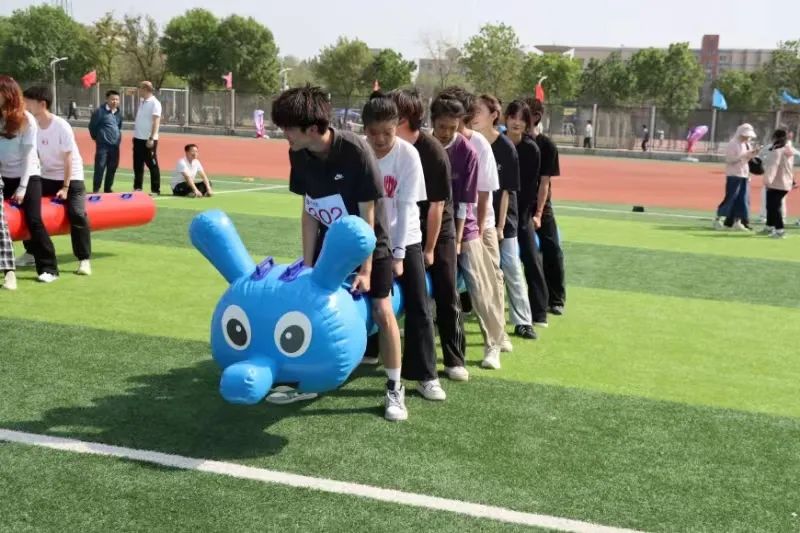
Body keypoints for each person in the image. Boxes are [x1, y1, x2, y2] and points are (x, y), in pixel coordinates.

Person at [271, 85, 408, 422]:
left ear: (312, 128)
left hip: (370, 244)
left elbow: (368, 216)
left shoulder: (355, 151)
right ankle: (307, 380)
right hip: (328, 247)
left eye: (289, 128)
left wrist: (365, 270)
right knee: (310, 307)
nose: (284, 133)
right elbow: (309, 211)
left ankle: (394, 387)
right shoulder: (298, 153)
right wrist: (307, 265)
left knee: (381, 309)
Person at [361, 92, 444, 401]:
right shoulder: (359, 151)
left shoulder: (408, 155)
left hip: (405, 239)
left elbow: (408, 208)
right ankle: (367, 350)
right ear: (365, 129)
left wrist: (398, 255)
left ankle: (425, 375)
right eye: (373, 133)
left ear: (397, 126)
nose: (380, 139)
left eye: (388, 132)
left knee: (418, 305)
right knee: (364, 295)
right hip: (369, 238)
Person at [388, 89, 469, 382]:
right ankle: (374, 347)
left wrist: (430, 249)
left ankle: (454, 358)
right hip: (402, 226)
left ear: (405, 119)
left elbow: (436, 206)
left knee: (446, 288)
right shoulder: (388, 146)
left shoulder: (432, 152)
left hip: (437, 228)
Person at [431, 95, 505, 370]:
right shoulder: (423, 146)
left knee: (480, 281)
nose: (446, 133)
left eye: (453, 127)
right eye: (441, 127)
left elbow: (467, 203)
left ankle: (493, 343)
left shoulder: (468, 152)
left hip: (465, 226)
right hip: (430, 224)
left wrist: (461, 239)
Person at [470, 93, 536, 340]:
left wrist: (500, 226)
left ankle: (523, 321)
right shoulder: (471, 142)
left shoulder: (505, 147)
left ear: (493, 116)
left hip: (502, 218)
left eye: (479, 111)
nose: (474, 116)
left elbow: (507, 191)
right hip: (477, 217)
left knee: (510, 266)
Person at [23, 86, 92, 276]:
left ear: (42, 104)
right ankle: (31, 252)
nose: (25, 106)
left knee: (77, 214)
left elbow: (68, 158)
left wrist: (65, 187)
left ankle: (84, 259)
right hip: (46, 176)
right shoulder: (31, 125)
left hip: (72, 178)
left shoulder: (61, 126)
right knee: (27, 207)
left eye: (28, 102)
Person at [0, 75, 58, 283]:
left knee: (33, 220)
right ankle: (19, 259)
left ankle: (49, 268)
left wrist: (23, 187)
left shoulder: (26, 120)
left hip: (28, 176)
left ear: (7, 94)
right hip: (4, 176)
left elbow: (28, 156)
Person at [505, 100, 548, 331]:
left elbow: (530, 188)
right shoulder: (496, 144)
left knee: (531, 258)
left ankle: (538, 312)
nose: (517, 122)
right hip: (496, 214)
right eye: (513, 117)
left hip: (520, 214)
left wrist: (526, 217)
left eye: (522, 119)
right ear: (506, 118)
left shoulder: (531, 149)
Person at [527, 98, 566, 317]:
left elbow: (544, 184)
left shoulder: (547, 146)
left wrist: (539, 214)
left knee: (552, 249)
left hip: (541, 207)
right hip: (517, 206)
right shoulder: (512, 142)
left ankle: (556, 298)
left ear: (536, 117)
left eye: (526, 114)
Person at [714, 123, 759, 231]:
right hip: (734, 174)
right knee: (731, 198)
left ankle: (737, 221)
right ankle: (718, 219)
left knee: (742, 200)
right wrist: (744, 155)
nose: (747, 138)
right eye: (746, 135)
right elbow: (730, 160)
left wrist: (752, 154)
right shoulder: (733, 144)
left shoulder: (746, 144)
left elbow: (747, 159)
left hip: (744, 174)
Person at [761, 129, 795, 239]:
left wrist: (767, 181)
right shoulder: (788, 150)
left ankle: (779, 230)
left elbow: (773, 167)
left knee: (774, 207)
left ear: (774, 137)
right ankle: (770, 226)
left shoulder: (777, 151)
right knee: (771, 206)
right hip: (785, 182)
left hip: (776, 183)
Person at [89, 90, 122, 193]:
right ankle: (96, 189)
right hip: (103, 146)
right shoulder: (99, 112)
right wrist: (98, 138)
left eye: (117, 99)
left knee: (112, 168)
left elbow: (119, 127)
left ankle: (108, 189)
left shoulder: (118, 113)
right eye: (112, 99)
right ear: (107, 99)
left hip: (115, 146)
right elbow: (92, 127)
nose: (115, 101)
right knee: (100, 167)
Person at [133, 81, 162, 195]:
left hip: (148, 139)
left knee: (152, 164)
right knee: (137, 164)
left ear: (145, 89)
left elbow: (156, 122)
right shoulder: (142, 101)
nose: (139, 90)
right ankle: (137, 188)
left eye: (140, 88)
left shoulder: (155, 103)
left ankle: (155, 189)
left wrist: (151, 138)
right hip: (138, 138)